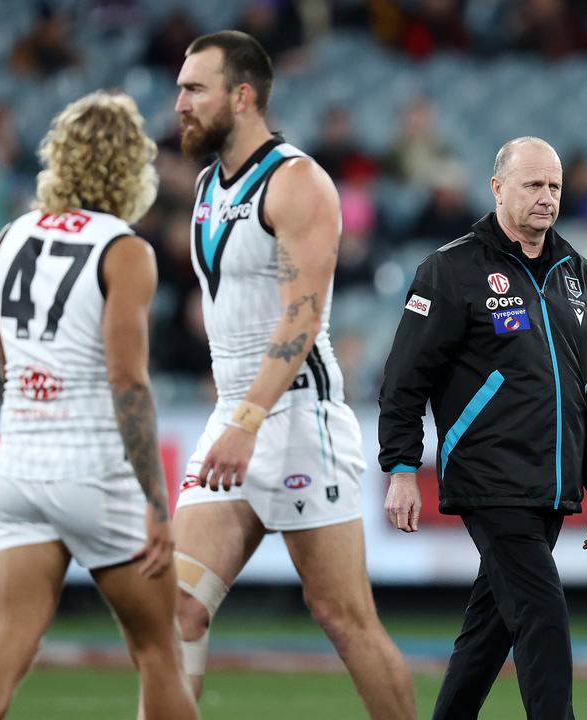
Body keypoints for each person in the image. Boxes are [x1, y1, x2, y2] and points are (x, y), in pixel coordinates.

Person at [171, 31, 415, 719]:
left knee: (342, 617)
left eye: (195, 89)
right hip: (238, 413)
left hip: (298, 418)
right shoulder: (205, 187)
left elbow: (302, 320)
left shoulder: (297, 180)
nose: (180, 103)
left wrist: (247, 420)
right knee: (177, 609)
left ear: (242, 95)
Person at [0, 91, 197, 720]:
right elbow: (128, 382)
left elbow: (11, 368)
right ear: (130, 168)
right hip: (93, 467)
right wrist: (154, 499)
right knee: (157, 653)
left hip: (17, 467)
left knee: (8, 645)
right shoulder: (125, 250)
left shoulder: (8, 237)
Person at [379, 136, 587, 720]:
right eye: (533, 185)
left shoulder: (578, 273)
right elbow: (402, 380)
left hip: (553, 481)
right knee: (542, 612)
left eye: (555, 187)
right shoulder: (450, 269)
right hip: (490, 477)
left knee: (489, 632)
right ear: (497, 188)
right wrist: (402, 468)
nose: (546, 198)